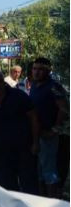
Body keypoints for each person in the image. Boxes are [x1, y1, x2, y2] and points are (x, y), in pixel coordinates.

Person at [0, 69, 39, 194]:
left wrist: (36, 142)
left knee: (29, 185)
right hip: (0, 153)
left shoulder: (19, 96)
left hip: (24, 149)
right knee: (7, 187)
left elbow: (34, 118)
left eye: (0, 82)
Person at [28, 57, 68, 198]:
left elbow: (64, 109)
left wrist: (54, 130)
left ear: (48, 71)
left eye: (40, 69)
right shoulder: (33, 85)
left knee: (49, 171)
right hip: (35, 134)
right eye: (35, 68)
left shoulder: (54, 86)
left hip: (48, 135)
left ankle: (52, 203)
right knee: (38, 171)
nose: (37, 72)